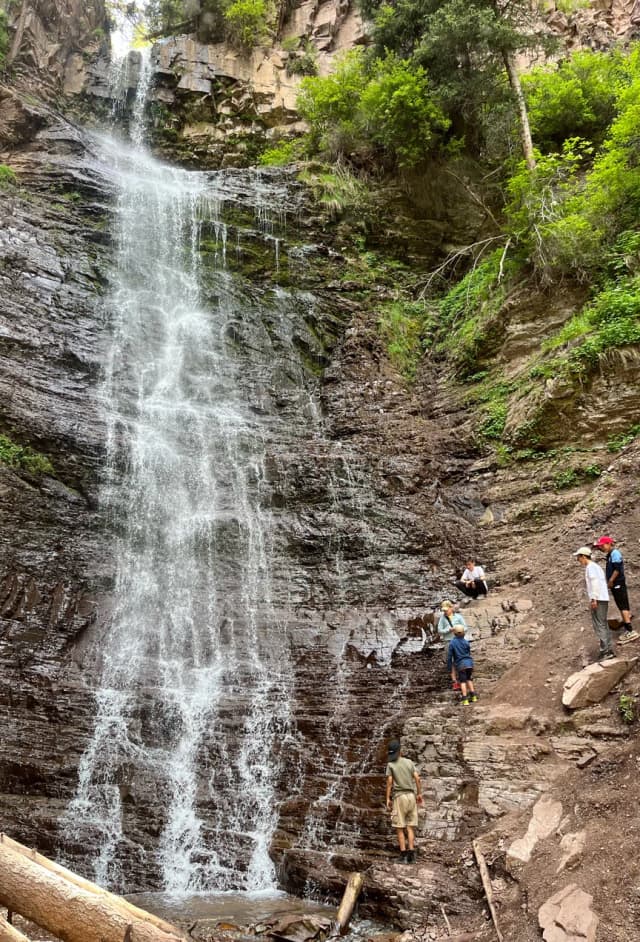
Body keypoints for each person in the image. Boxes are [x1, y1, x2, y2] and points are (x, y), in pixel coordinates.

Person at [385, 739, 423, 864]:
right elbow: (417, 778)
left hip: (399, 797)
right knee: (410, 826)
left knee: (399, 827)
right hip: (411, 796)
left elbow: (390, 782)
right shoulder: (409, 762)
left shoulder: (391, 765)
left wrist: (387, 798)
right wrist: (419, 794)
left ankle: (403, 855)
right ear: (400, 751)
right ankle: (412, 854)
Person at [574, 546, 614, 661]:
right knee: (603, 623)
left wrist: (594, 599)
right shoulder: (595, 567)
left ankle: (605, 651)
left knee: (599, 624)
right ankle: (608, 649)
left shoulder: (590, 568)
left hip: (598, 599)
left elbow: (594, 583)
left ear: (583, 556)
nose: (578, 560)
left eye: (578, 557)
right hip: (602, 598)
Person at [594, 536, 635, 641]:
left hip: (618, 584)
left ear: (608, 544)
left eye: (602, 546)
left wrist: (611, 580)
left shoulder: (615, 554)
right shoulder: (610, 554)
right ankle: (627, 626)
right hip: (616, 584)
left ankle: (630, 631)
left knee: (623, 606)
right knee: (621, 605)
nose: (601, 548)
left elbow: (617, 569)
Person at [437, 600, 470, 690]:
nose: (445, 612)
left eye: (446, 610)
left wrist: (459, 630)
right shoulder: (442, 619)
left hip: (458, 640)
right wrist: (448, 630)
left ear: (451, 608)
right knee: (450, 662)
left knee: (460, 660)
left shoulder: (458, 617)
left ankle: (463, 680)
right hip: (448, 641)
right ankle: (454, 681)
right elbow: (439, 631)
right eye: (444, 610)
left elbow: (465, 627)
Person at [447, 624, 478, 705]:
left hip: (461, 665)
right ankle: (473, 696)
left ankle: (465, 699)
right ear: (463, 633)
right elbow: (468, 652)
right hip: (469, 663)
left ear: (454, 633)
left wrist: (449, 666)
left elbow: (450, 656)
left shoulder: (452, 643)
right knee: (469, 679)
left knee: (463, 682)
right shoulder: (466, 642)